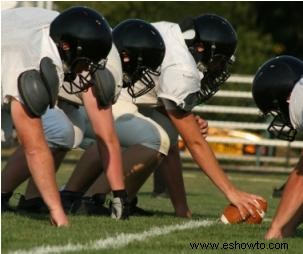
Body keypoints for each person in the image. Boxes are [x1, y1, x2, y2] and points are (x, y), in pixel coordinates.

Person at [61, 14, 265, 219]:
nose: (219, 69)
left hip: (88, 93)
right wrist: (232, 192)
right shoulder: (182, 69)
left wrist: (181, 209)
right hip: (99, 97)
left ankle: (74, 194)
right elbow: (195, 142)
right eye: (219, 61)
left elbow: (172, 148)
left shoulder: (171, 32)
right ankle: (91, 199)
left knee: (159, 136)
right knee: (154, 140)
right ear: (201, 49)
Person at [5, 19, 166, 218]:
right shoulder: (101, 64)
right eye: (142, 69)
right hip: (14, 55)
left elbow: (105, 135)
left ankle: (31, 198)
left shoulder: (86, 51)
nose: (142, 77)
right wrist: (118, 193)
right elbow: (105, 135)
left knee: (70, 132)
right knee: (59, 132)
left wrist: (118, 193)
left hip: (19, 40)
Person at [252, 55, 303, 239]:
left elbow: (300, 178)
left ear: (287, 97)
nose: (280, 118)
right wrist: (285, 228)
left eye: (277, 111)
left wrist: (275, 231)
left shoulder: (300, 101)